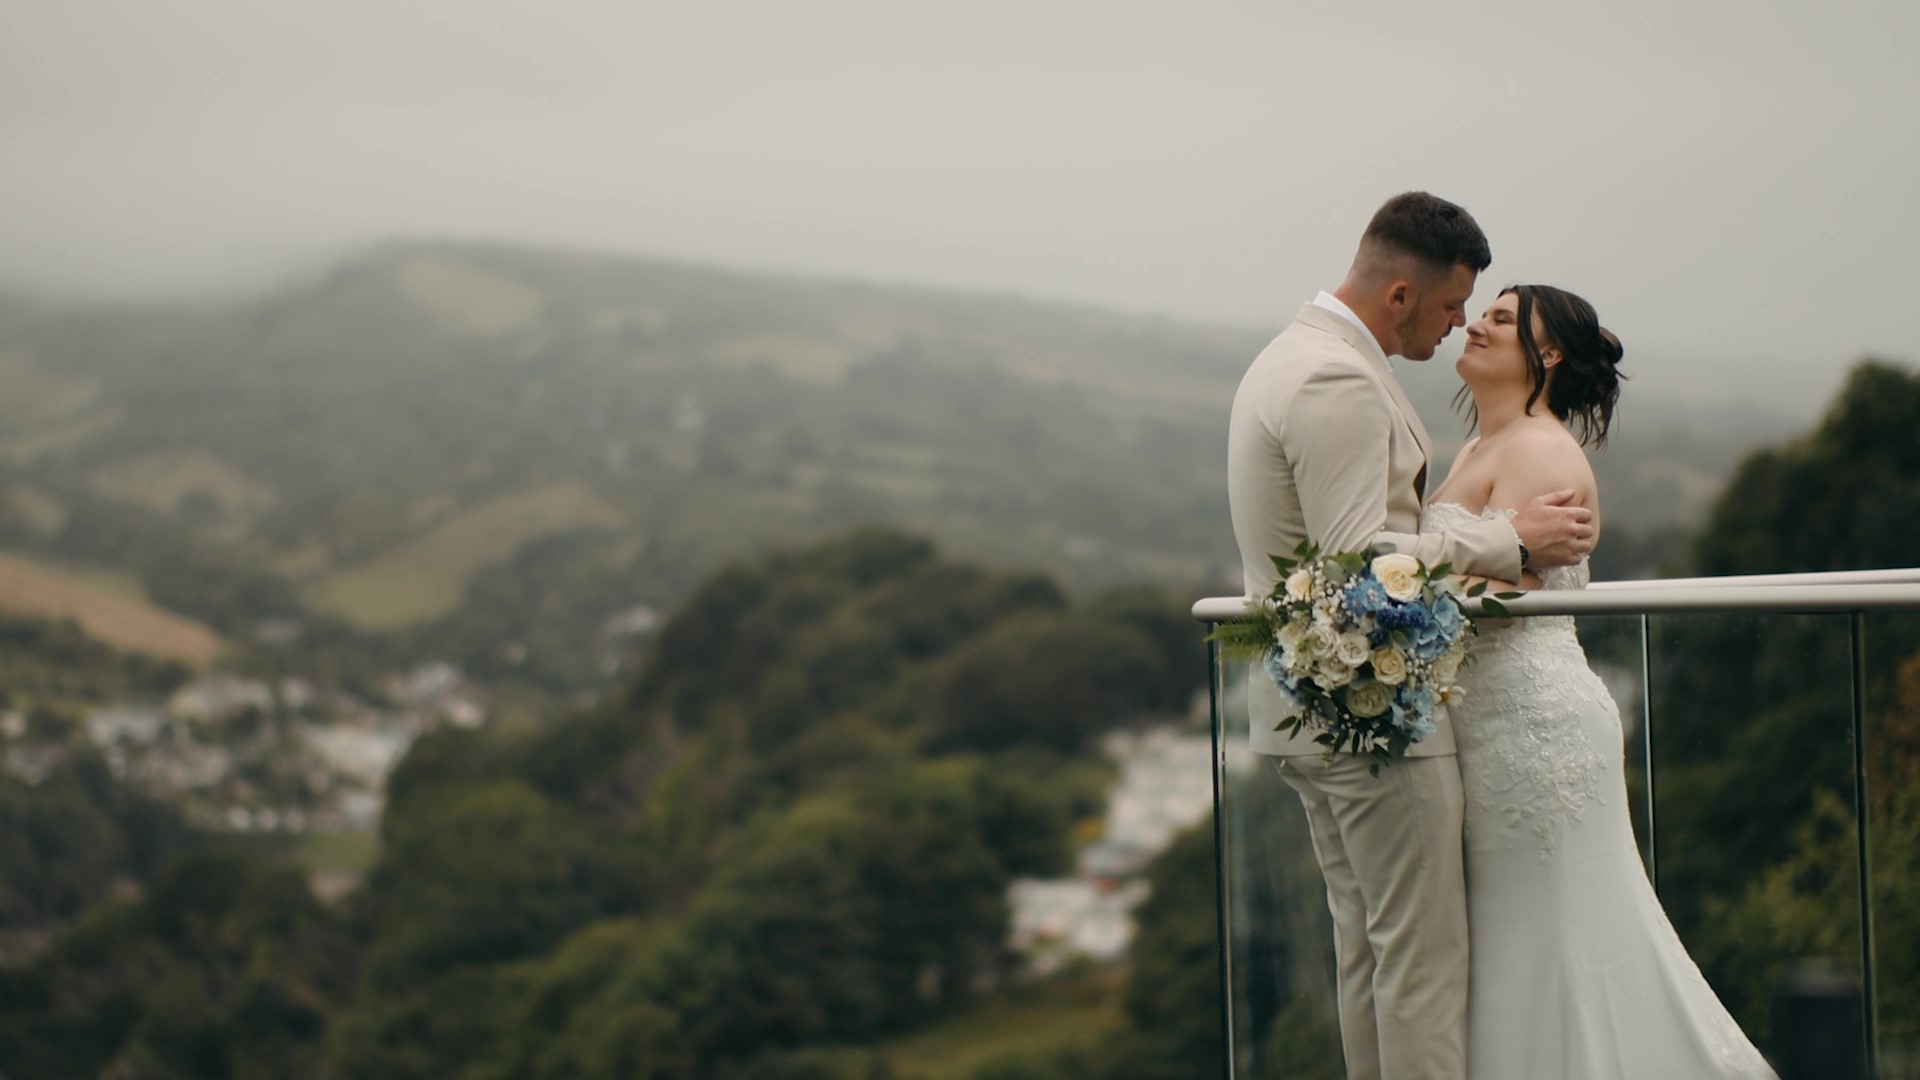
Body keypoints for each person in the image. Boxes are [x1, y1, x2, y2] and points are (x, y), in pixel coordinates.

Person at [1225, 191, 1595, 1080]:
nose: (1458, 324)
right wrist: (1510, 540)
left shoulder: (1289, 355)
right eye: (1452, 305)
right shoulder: (1337, 379)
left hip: (1313, 711)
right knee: (1422, 961)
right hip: (1372, 712)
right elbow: (1358, 560)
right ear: (1400, 294)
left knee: (1370, 950)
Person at [1430, 285, 1776, 1078]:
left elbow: (1502, 607)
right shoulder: (1479, 446)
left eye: (1502, 319)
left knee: (1561, 938)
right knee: (1525, 943)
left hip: (1533, 731)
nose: (1477, 323)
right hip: (1489, 726)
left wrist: (1390, 590)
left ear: (1548, 354)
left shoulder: (1540, 452)